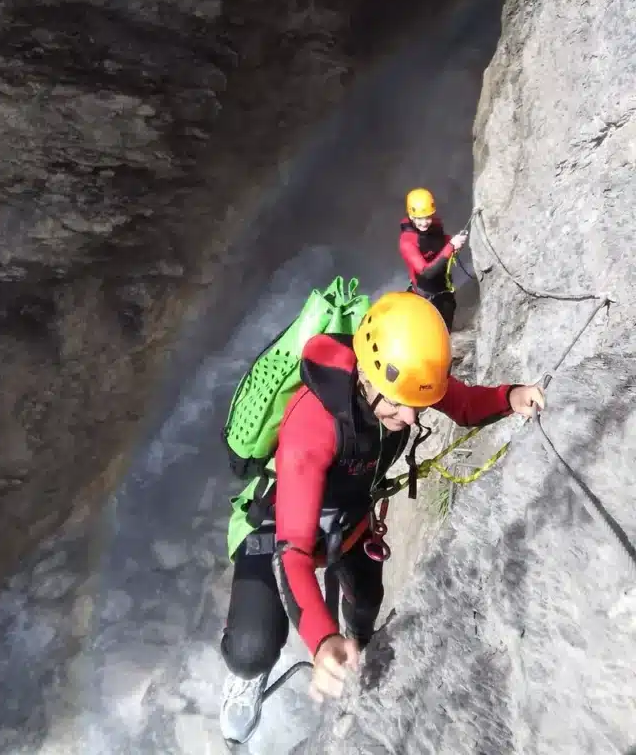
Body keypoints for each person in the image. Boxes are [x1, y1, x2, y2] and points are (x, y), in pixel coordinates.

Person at [219, 291, 545, 743]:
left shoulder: (405, 379)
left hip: (349, 524)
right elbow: (291, 552)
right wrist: (320, 639)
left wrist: (512, 397)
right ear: (367, 378)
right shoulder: (311, 428)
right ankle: (248, 675)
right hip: (279, 526)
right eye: (398, 403)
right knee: (250, 650)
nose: (410, 417)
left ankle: (357, 651)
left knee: (366, 604)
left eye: (416, 403)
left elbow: (465, 404)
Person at [398, 187, 468, 332]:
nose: (425, 223)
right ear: (411, 216)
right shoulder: (407, 241)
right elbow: (426, 273)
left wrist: (456, 243)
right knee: (429, 333)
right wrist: (450, 247)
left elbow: (442, 242)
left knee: (446, 329)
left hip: (444, 290)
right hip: (425, 296)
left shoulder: (435, 226)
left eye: (428, 217)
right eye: (419, 219)